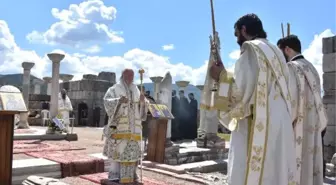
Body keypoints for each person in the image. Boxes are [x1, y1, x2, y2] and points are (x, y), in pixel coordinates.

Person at [209, 13, 297, 185]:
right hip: (280, 124)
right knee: (276, 172)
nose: (237, 40)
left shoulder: (251, 49)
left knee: (249, 173)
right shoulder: (277, 53)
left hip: (256, 124)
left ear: (243, 30)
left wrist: (221, 77)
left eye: (236, 35)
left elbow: (240, 97)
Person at [277, 35, 327, 185]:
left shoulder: (292, 68)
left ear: (287, 49)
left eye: (281, 53)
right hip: (313, 124)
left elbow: (289, 101)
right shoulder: (312, 68)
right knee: (310, 165)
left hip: (297, 124)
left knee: (296, 167)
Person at [102, 69, 148, 184]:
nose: (130, 78)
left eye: (132, 76)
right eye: (128, 75)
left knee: (132, 155)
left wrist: (143, 102)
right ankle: (115, 176)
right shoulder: (114, 89)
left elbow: (142, 109)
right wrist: (119, 101)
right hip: (120, 128)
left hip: (134, 130)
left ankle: (132, 176)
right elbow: (107, 102)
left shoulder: (136, 89)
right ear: (123, 75)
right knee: (119, 153)